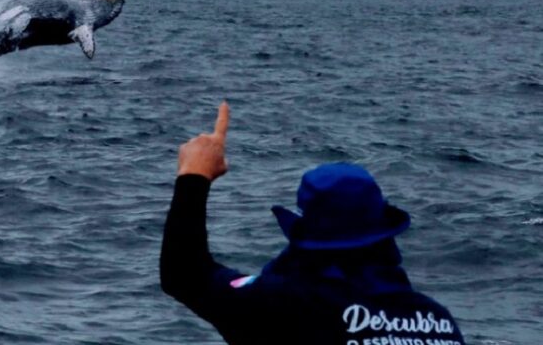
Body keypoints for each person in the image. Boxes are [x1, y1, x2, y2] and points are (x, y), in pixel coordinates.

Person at [160, 102, 466, 345]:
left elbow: (185, 275)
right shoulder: (436, 321)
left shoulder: (286, 304)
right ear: (386, 235)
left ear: (306, 236)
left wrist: (194, 175)